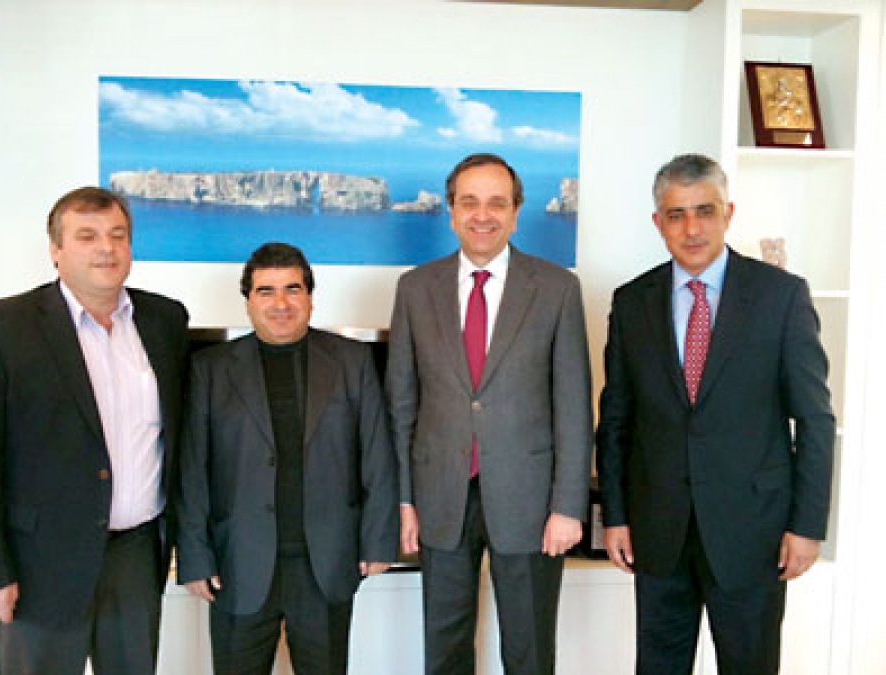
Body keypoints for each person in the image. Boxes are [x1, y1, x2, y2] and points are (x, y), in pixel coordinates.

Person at [597, 154, 834, 675]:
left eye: (704, 210)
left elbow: (815, 420)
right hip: (659, 531)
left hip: (754, 533)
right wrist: (614, 515)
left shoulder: (781, 296)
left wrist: (807, 525)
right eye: (676, 214)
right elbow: (615, 419)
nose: (692, 228)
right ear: (658, 222)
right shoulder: (632, 303)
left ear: (728, 212)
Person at [387, 153, 592, 674]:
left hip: (532, 503)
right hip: (440, 498)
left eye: (497, 203)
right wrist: (405, 499)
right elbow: (402, 404)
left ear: (516, 213)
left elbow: (573, 404)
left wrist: (569, 506)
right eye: (470, 203)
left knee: (529, 652)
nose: (483, 215)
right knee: (445, 651)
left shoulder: (557, 289)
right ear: (451, 211)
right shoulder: (415, 289)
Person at [0, 187, 190, 674]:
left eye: (117, 235)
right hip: (40, 564)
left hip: (136, 557)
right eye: (87, 236)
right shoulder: (4, 325)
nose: (106, 248)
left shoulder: (165, 320)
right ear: (56, 251)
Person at [177, 242, 398, 675]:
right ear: (248, 301)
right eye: (266, 291)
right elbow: (192, 469)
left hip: (326, 564)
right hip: (237, 563)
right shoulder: (210, 369)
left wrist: (378, 540)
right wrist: (195, 557)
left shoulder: (352, 361)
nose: (281, 303)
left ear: (310, 297)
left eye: (292, 289)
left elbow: (377, 455)